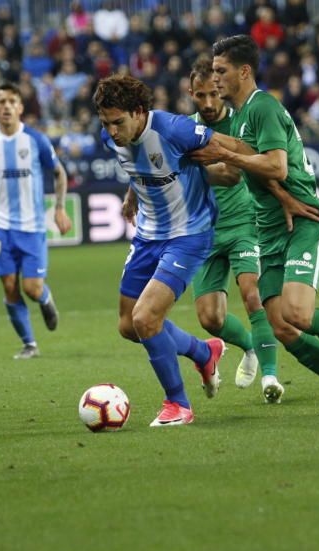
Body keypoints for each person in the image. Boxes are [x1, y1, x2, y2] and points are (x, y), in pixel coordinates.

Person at [193, 34, 319, 416]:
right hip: (269, 226)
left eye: (221, 71)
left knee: (298, 314)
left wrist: (226, 153)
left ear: (244, 71)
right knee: (282, 326)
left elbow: (276, 165)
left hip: (302, 219)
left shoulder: (262, 107)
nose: (214, 79)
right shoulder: (240, 117)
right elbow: (245, 169)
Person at [95, 74, 234, 427]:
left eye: (118, 122)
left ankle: (178, 404)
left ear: (139, 112)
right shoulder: (113, 138)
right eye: (106, 123)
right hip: (147, 236)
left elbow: (231, 148)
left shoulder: (174, 129)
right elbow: (139, 167)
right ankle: (204, 352)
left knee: (146, 319)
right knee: (129, 326)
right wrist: (131, 196)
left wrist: (258, 171)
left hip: (189, 234)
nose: (111, 131)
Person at [181, 56, 280, 396]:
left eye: (213, 94)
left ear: (220, 89)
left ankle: (270, 377)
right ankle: (251, 346)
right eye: (200, 95)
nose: (208, 103)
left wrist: (190, 171)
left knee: (252, 293)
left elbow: (233, 173)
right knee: (210, 319)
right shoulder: (184, 130)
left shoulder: (240, 123)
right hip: (203, 231)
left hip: (243, 223)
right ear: (191, 93)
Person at [0, 83, 71, 359]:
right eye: (1, 102)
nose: (6, 106)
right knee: (9, 285)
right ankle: (30, 344)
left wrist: (59, 208)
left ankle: (45, 298)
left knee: (31, 288)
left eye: (12, 101)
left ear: (21, 107)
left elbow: (59, 174)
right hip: (1, 226)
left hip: (33, 226)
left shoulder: (36, 140)